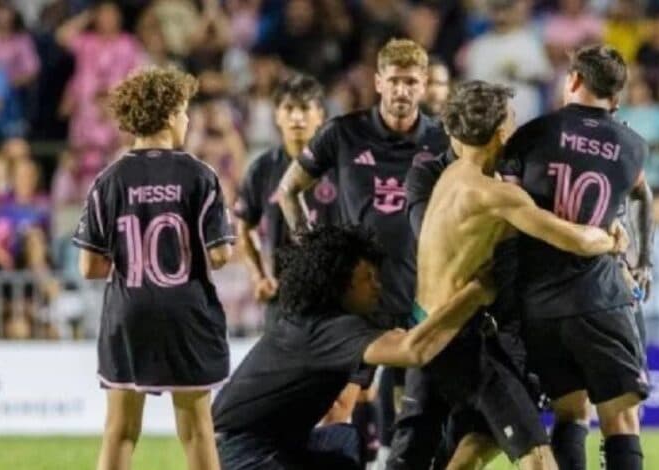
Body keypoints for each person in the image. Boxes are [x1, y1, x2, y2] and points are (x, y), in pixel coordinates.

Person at [416, 80, 630, 470]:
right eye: (512, 121)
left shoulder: (451, 177)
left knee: (477, 443)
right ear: (501, 132)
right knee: (538, 458)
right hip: (465, 342)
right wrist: (611, 241)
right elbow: (574, 240)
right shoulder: (495, 195)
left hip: (433, 332)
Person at [277, 38, 449, 460]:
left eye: (412, 82)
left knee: (421, 407)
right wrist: (309, 248)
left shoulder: (443, 140)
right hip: (356, 296)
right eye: (395, 81)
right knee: (339, 403)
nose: (403, 91)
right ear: (378, 82)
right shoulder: (344, 132)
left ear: (424, 85)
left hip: (421, 291)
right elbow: (288, 190)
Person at [211, 225, 494, 470]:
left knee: (344, 439)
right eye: (367, 278)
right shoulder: (328, 329)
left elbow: (400, 341)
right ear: (340, 284)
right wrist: (475, 293)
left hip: (268, 442)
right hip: (240, 452)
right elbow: (413, 350)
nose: (377, 286)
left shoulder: (317, 323)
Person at [73, 67, 236, 470]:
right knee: (198, 429)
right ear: (167, 115)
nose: (187, 120)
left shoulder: (108, 180)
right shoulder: (200, 175)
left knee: (121, 430)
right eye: (183, 112)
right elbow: (220, 256)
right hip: (186, 313)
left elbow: (90, 266)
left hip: (128, 313)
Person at [500, 45, 652, 470]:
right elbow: (642, 195)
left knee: (569, 414)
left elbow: (506, 213)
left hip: (539, 303)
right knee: (620, 419)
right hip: (599, 297)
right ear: (617, 98)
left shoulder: (531, 134)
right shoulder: (633, 146)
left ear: (573, 80)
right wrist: (643, 261)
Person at [234, 73, 337, 325]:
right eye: (288, 108)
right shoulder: (262, 168)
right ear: (277, 115)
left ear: (321, 115)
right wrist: (259, 277)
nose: (296, 117)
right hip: (283, 299)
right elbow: (244, 227)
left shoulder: (339, 166)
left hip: (334, 299)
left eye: (304, 108)